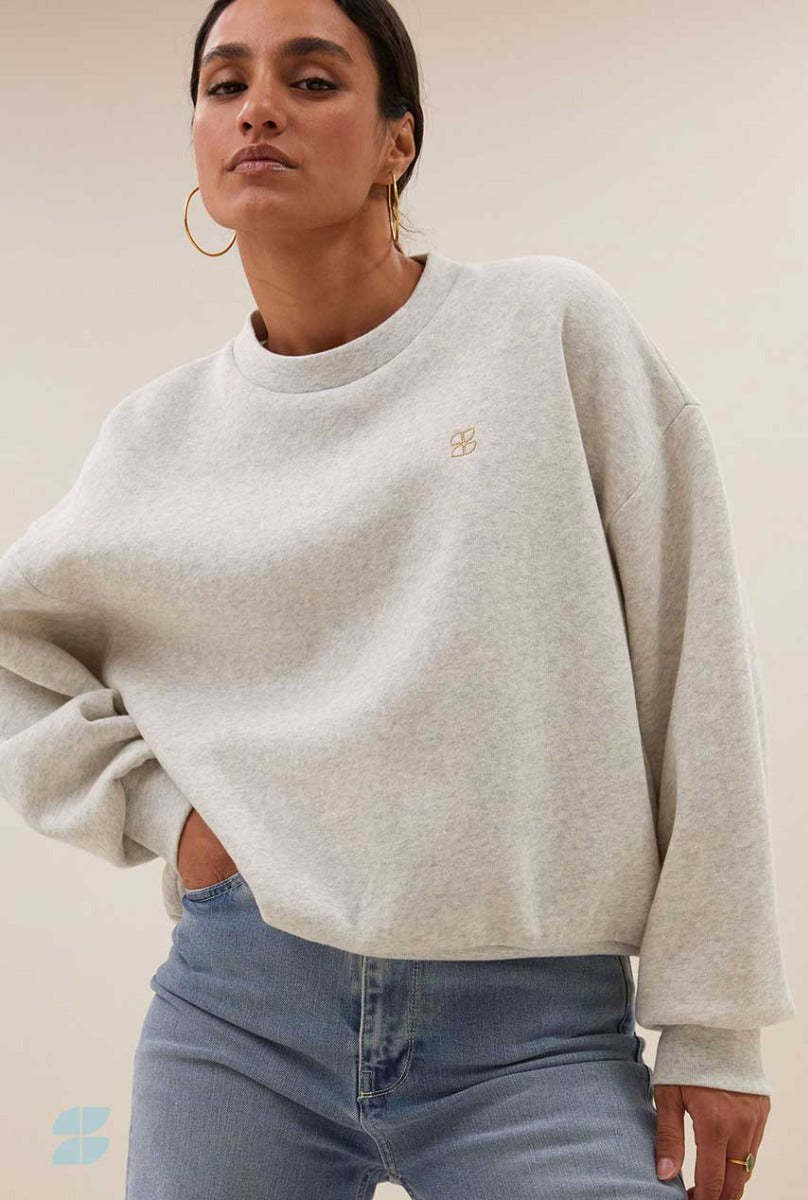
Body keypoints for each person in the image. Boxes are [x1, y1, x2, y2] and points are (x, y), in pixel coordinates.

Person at [0, 1, 795, 1197]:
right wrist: (172, 820)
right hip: (239, 1021)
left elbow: (695, 667)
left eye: (312, 80)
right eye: (225, 85)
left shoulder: (544, 330)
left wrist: (714, 1028)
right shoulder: (157, 438)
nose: (258, 109)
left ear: (396, 143)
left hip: (535, 1037)